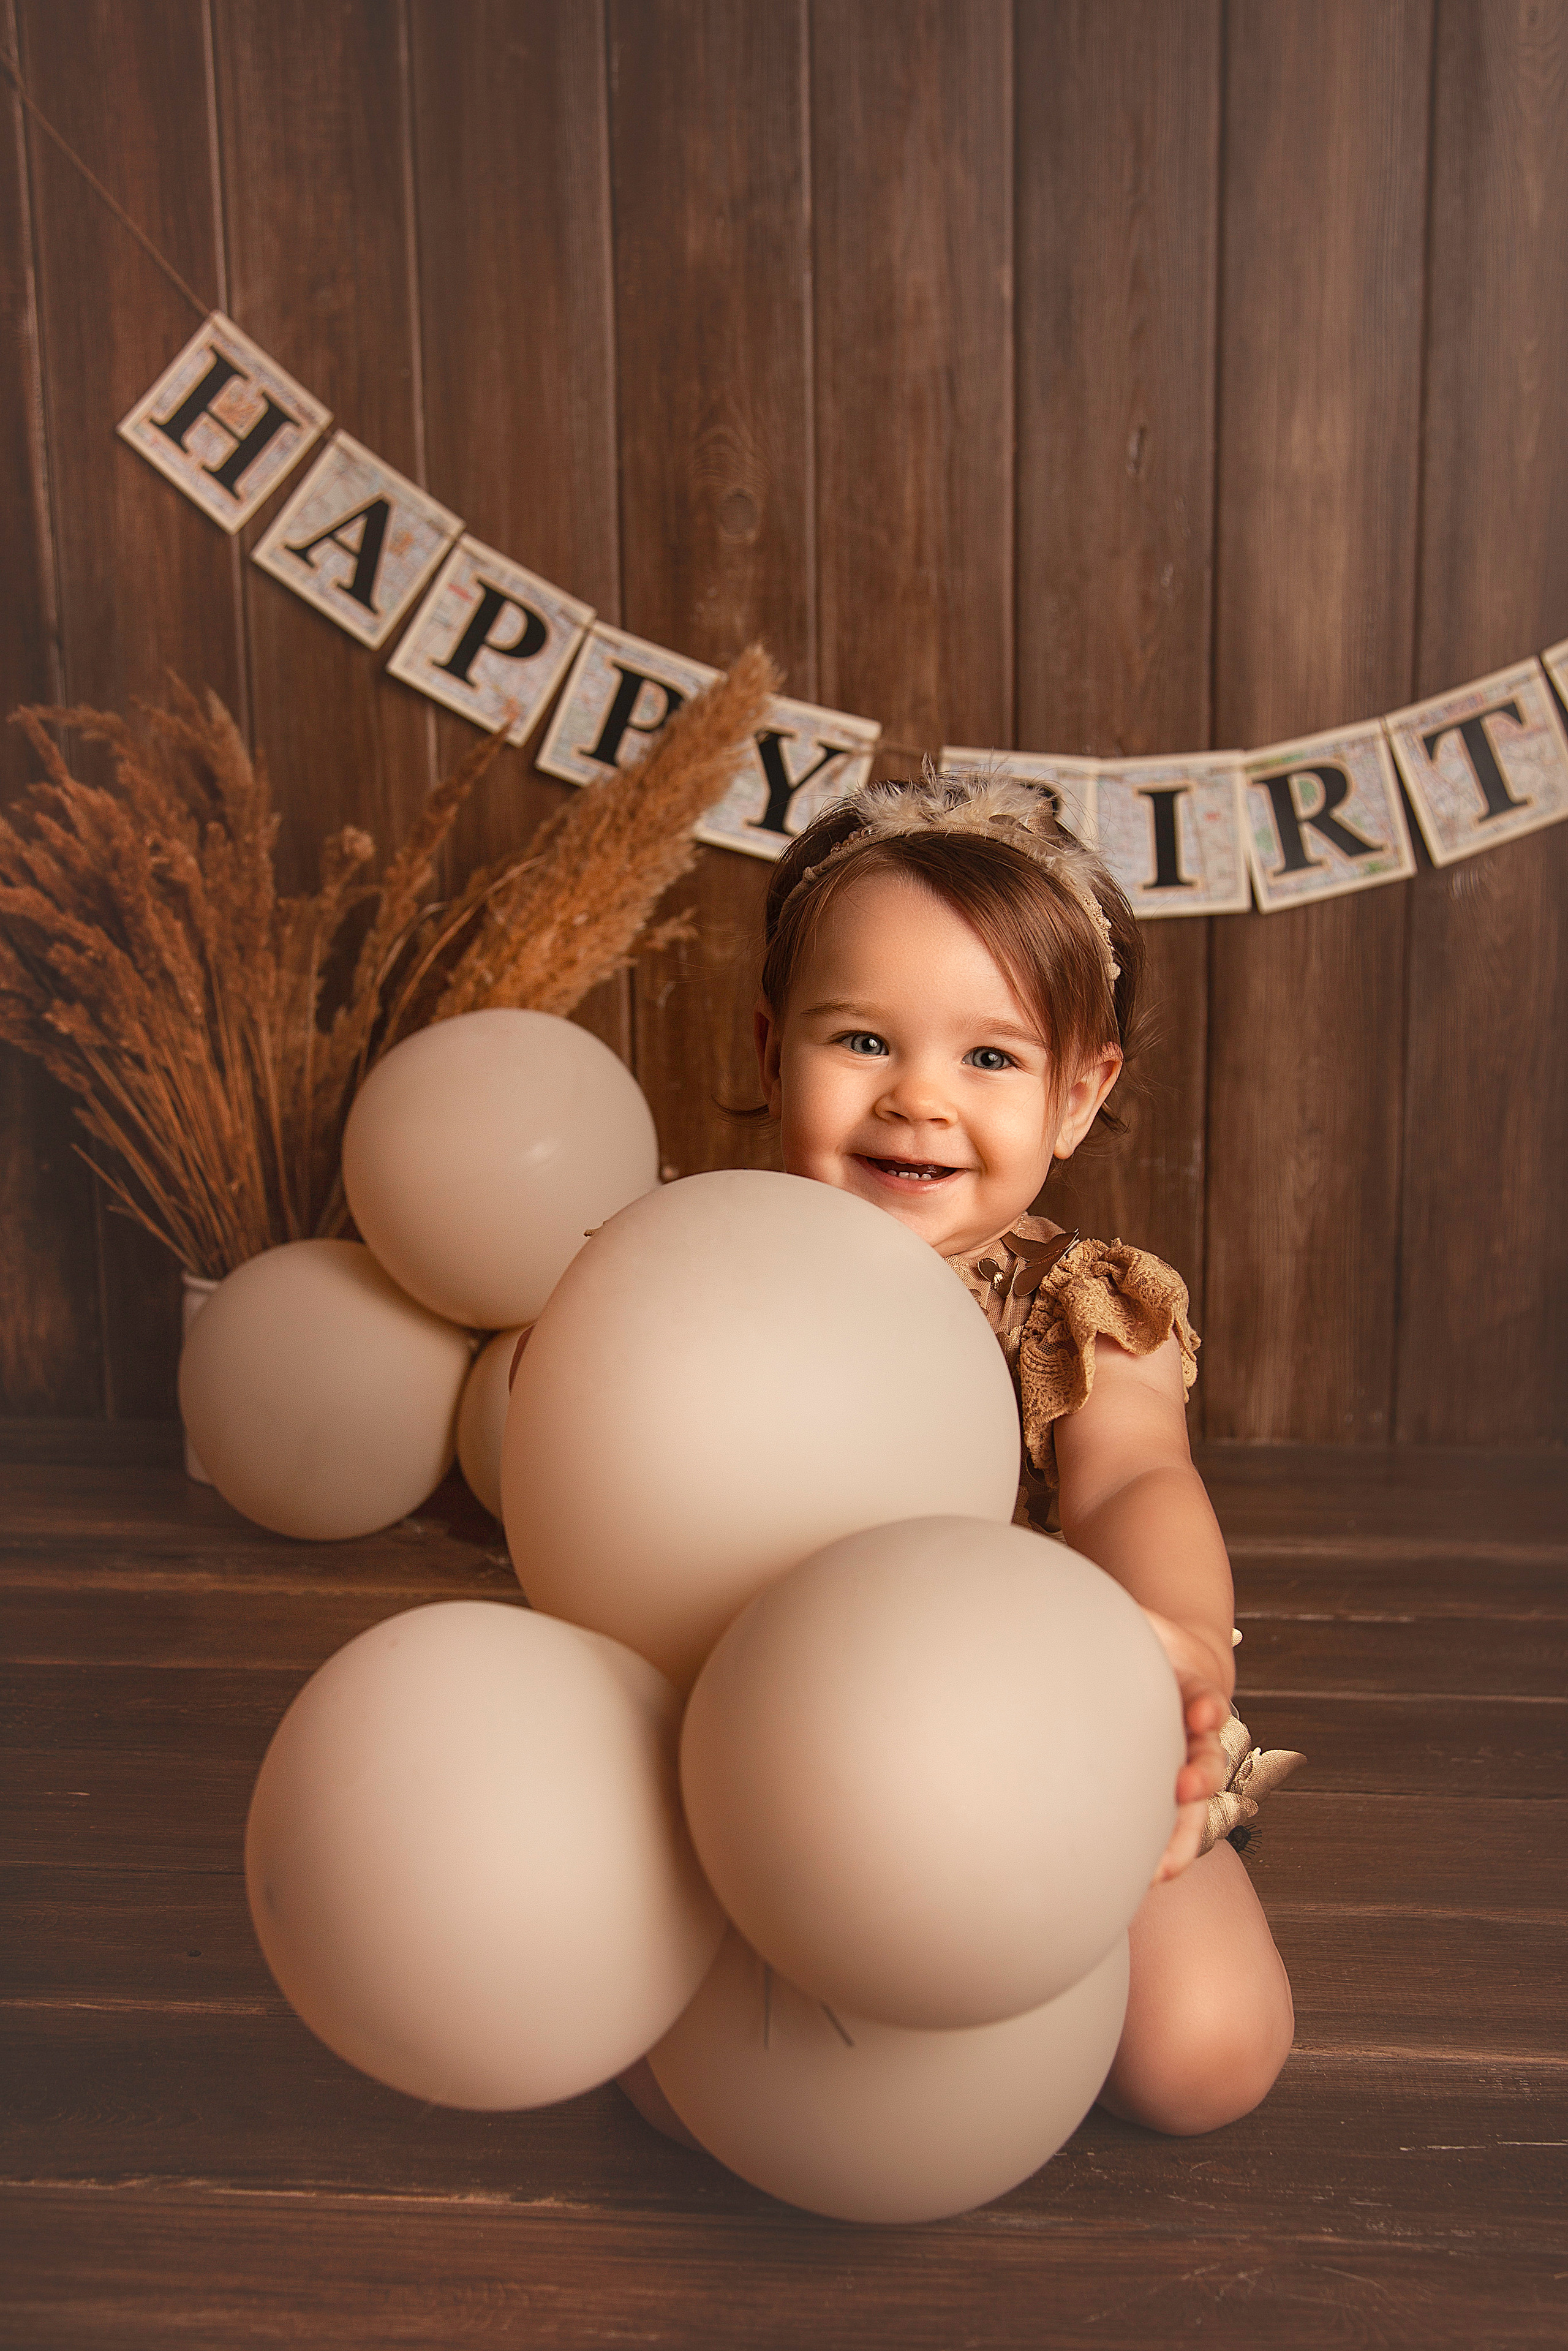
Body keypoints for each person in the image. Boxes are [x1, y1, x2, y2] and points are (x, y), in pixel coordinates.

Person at [746, 769, 1297, 2135]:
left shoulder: (1072, 1300)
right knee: (690, 2074)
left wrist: (1171, 1632)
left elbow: (1132, 1477)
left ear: (1075, 1092)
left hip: (1030, 1717)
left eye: (986, 1058)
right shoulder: (710, 1279)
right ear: (769, 1052)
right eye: (861, 1040)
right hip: (766, 1715)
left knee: (1202, 2057)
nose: (917, 1101)